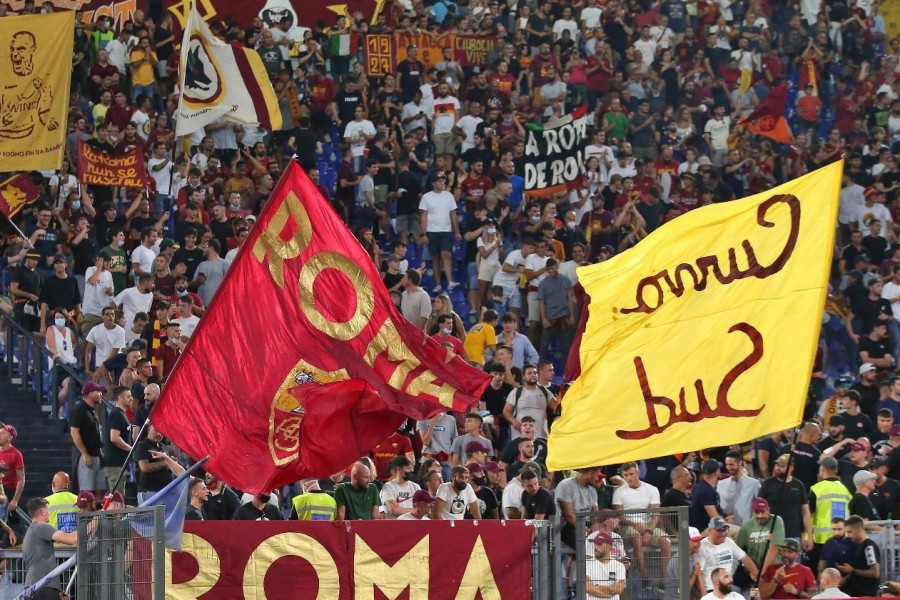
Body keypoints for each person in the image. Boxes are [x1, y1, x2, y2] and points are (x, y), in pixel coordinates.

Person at [23, 497, 77, 599]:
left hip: (34, 587)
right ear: (43, 512)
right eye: (48, 510)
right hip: (43, 588)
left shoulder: (31, 531)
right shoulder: (41, 527)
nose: (49, 512)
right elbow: (71, 539)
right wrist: (93, 522)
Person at [698, 517, 759, 593]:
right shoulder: (702, 546)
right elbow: (698, 573)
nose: (723, 534)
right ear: (710, 531)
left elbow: (745, 559)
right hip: (711, 590)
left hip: (727, 589)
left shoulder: (728, 542)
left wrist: (758, 578)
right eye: (719, 531)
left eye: (724, 530)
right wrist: (704, 596)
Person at [70, 381, 107, 497]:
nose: (101, 394)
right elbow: (74, 433)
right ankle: (88, 515)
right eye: (98, 392)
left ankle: (97, 515)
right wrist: (85, 453)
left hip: (97, 456)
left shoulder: (91, 411)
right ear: (91, 394)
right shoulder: (79, 409)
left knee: (100, 491)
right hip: (87, 457)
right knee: (87, 493)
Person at [836, 515, 880, 597]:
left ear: (859, 529)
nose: (848, 535)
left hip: (868, 594)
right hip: (857, 593)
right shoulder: (857, 546)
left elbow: (875, 573)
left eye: (850, 532)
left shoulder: (869, 547)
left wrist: (852, 571)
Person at [586, 531, 627, 600]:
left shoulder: (618, 566)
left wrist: (597, 587)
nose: (595, 547)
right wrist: (607, 595)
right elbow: (588, 587)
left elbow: (619, 588)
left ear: (609, 547)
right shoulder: (587, 563)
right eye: (595, 544)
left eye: (599, 544)